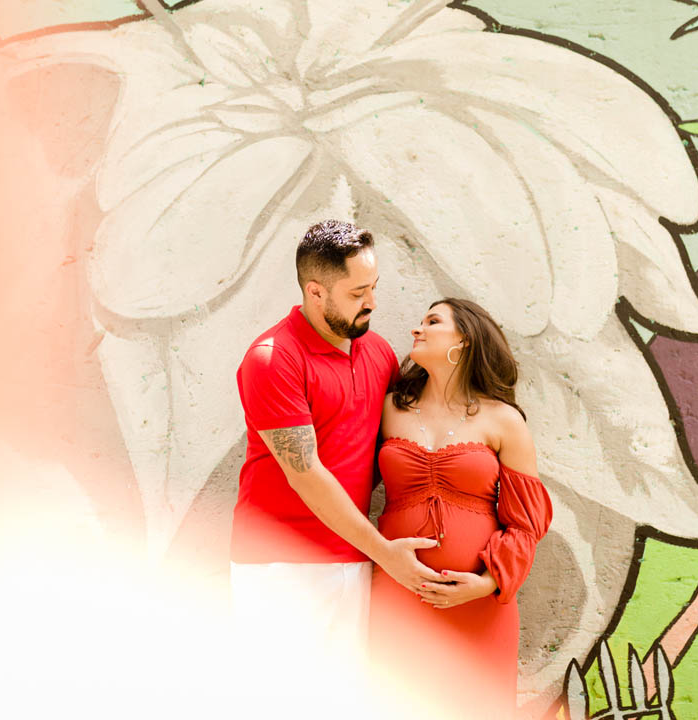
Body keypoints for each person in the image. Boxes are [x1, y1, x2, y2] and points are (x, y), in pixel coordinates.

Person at [229, 220, 442, 710]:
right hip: (279, 566)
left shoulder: (378, 352)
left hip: (352, 557)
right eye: (357, 293)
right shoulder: (273, 358)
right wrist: (385, 553)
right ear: (315, 291)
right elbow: (305, 474)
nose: (372, 303)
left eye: (374, 288)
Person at [369, 298, 554, 719]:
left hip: (478, 606)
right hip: (398, 593)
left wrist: (486, 584)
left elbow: (526, 525)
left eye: (432, 321)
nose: (417, 329)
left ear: (465, 340)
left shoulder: (504, 420)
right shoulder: (389, 408)